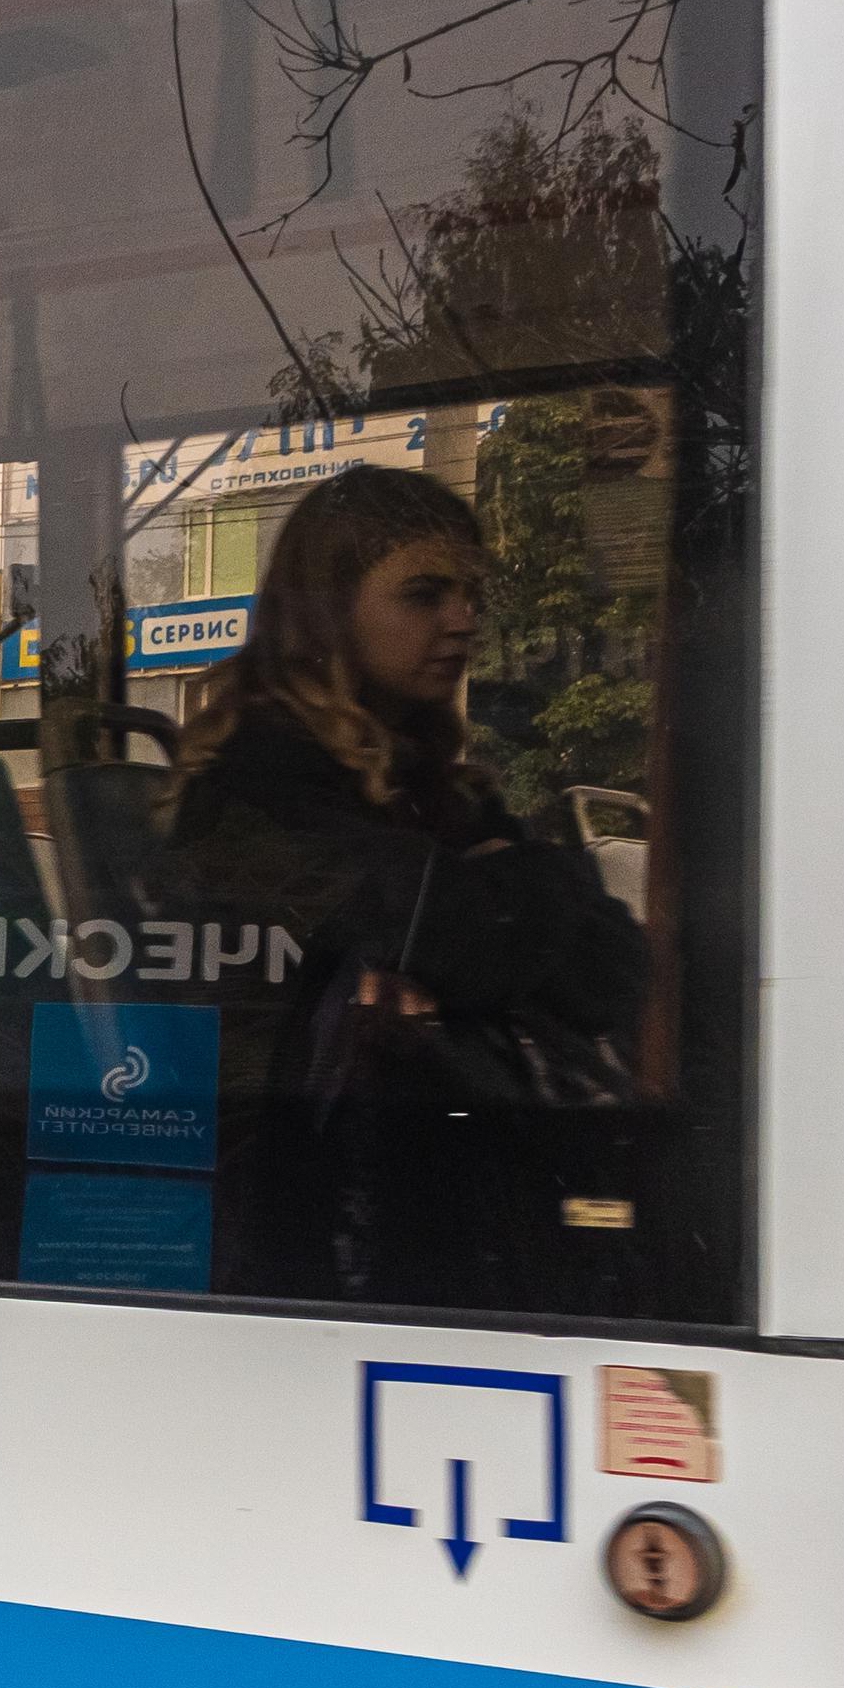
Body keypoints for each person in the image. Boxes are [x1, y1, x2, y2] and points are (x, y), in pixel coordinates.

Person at [169, 458, 646, 1307]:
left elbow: (614, 970)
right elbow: (455, 932)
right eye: (425, 595)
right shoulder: (259, 773)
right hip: (310, 1234)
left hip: (436, 1209)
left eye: (472, 595)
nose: (463, 621)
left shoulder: (433, 782)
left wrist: (518, 890)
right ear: (328, 610)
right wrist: (523, 893)